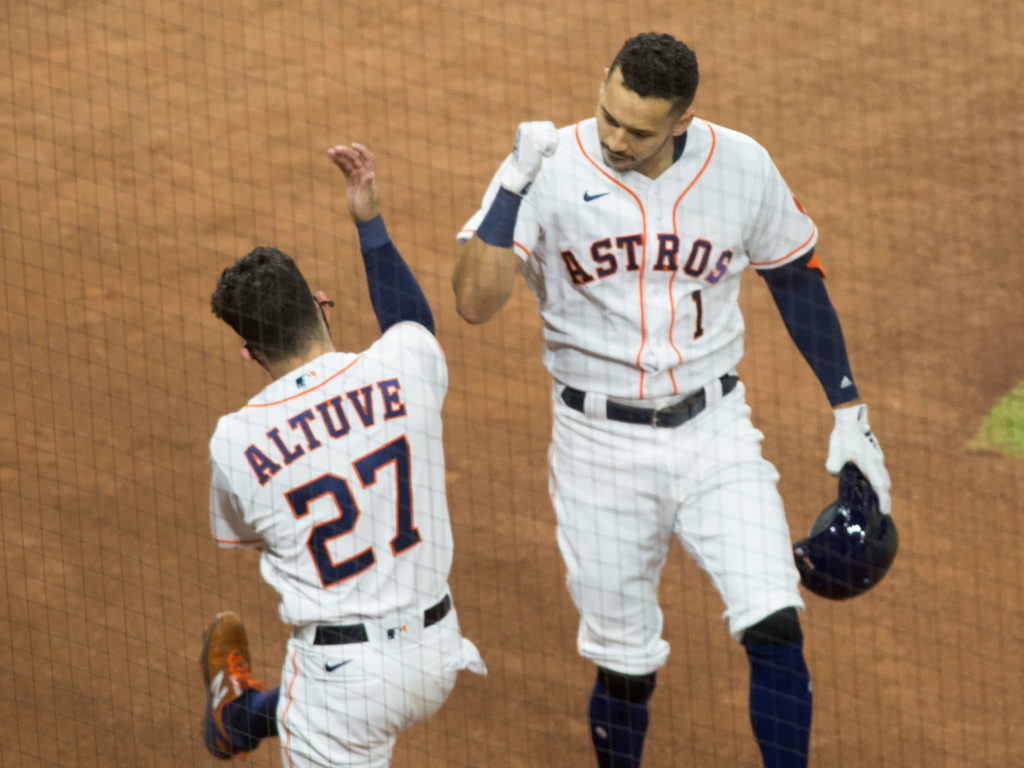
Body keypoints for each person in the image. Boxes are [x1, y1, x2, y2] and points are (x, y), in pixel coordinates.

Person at [452, 32, 891, 768]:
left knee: (775, 622)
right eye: (609, 116)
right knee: (625, 665)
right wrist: (512, 188)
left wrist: (849, 408)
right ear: (603, 81)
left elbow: (792, 275)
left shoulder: (740, 164)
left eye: (639, 130)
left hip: (715, 429)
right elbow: (472, 302)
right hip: (597, 448)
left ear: (683, 118)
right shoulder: (548, 167)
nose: (616, 140)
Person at [201, 142, 486, 767]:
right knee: (312, 695)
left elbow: (252, 535)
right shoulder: (403, 366)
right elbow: (411, 323)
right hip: (438, 655)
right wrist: (369, 223)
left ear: (249, 353)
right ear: (321, 304)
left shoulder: (234, 440)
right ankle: (238, 717)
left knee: (319, 693)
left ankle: (235, 718)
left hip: (341, 684)